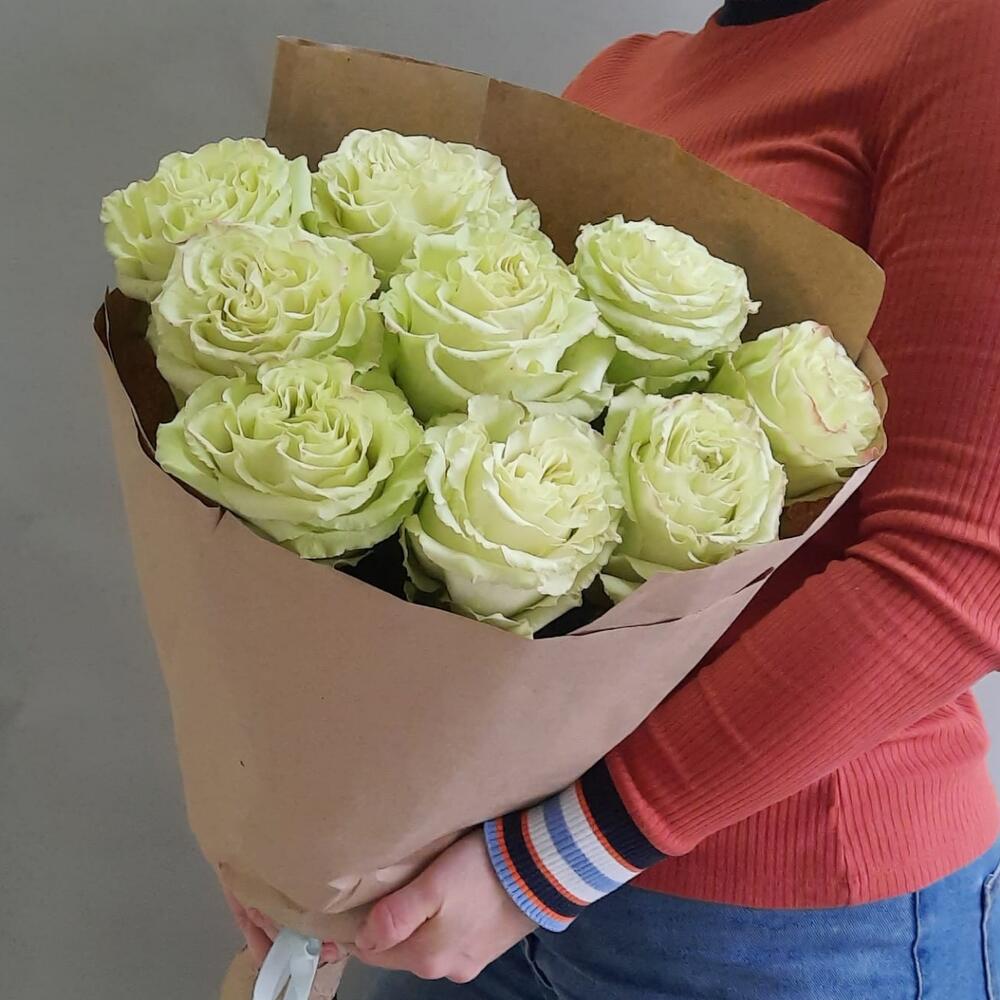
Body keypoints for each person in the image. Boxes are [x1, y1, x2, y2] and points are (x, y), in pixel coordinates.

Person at [236, 0, 1000, 995]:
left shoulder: (965, 37)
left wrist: (547, 862)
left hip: (783, 921)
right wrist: (321, 824)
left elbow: (962, 565)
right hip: (473, 879)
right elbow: (474, 465)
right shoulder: (625, 73)